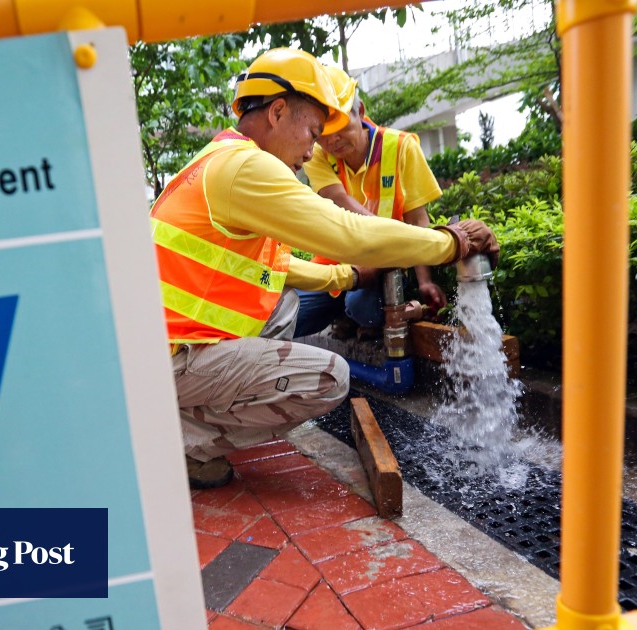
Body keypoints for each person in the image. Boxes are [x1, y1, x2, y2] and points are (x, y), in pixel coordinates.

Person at [148, 48, 499, 489]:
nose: (314, 148)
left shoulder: (218, 157)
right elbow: (349, 232)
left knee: (283, 308)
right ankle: (166, 440)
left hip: (159, 351)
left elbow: (276, 269)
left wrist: (348, 277)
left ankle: (176, 424)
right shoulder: (247, 168)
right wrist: (452, 243)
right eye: (312, 131)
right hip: (166, 362)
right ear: (278, 112)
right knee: (330, 378)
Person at [295, 65, 447, 340]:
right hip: (336, 267)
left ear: (361, 112)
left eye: (340, 128)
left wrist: (425, 281)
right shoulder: (317, 155)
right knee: (290, 316)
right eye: (322, 133)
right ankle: (344, 313)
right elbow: (336, 197)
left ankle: (354, 315)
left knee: (362, 307)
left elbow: (417, 219)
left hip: (385, 266)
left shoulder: (401, 147)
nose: (332, 140)